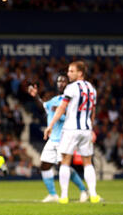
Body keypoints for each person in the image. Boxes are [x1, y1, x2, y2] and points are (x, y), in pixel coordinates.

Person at [44, 61, 101, 204]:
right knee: (87, 162)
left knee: (65, 161)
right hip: (86, 129)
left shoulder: (71, 88)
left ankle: (64, 196)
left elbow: (62, 107)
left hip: (71, 129)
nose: (68, 74)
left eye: (71, 71)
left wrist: (50, 125)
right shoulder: (91, 88)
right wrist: (91, 128)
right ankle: (93, 194)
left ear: (80, 73)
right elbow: (92, 112)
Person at [28, 75, 89, 203]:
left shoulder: (72, 101)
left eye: (63, 81)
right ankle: (53, 194)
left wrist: (62, 112)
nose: (60, 83)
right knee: (44, 165)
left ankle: (84, 190)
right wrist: (36, 96)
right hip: (53, 139)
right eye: (59, 81)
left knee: (64, 166)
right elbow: (43, 105)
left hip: (65, 138)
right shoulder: (55, 100)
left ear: (69, 84)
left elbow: (75, 117)